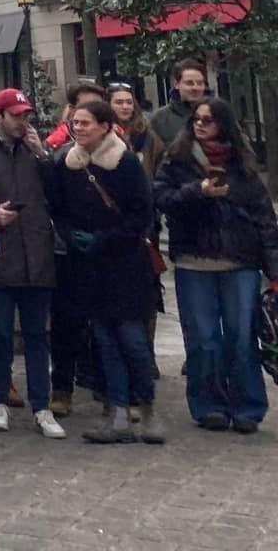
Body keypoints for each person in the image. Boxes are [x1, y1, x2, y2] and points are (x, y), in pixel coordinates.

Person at [153, 95, 278, 434]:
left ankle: (248, 407)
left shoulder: (242, 163)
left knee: (242, 337)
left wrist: (275, 269)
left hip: (240, 260)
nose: (200, 125)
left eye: (208, 120)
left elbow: (264, 216)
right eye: (196, 119)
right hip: (194, 259)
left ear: (223, 124)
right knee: (203, 339)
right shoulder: (177, 158)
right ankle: (208, 405)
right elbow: (162, 199)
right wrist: (198, 191)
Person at [46, 97, 163, 445]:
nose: (78, 128)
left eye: (85, 123)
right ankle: (115, 413)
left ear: (105, 126)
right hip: (88, 268)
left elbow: (142, 215)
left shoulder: (125, 163)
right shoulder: (67, 164)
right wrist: (71, 236)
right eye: (75, 122)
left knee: (132, 340)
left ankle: (147, 410)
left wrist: (105, 239)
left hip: (125, 265)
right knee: (104, 343)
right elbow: (58, 209)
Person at [0, 88, 66, 438]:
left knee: (37, 336)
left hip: (36, 255)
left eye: (26, 115)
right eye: (16, 115)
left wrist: (42, 155)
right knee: (0, 335)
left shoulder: (34, 151)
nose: (23, 122)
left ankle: (42, 407)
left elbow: (57, 194)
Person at [149, 59, 210, 147]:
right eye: (189, 83)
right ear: (176, 84)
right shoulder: (159, 119)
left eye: (200, 83)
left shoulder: (217, 115)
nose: (195, 87)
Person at [109, 82, 162, 169]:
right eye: (119, 103)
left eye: (129, 102)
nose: (125, 107)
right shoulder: (102, 134)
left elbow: (161, 162)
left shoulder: (146, 133)